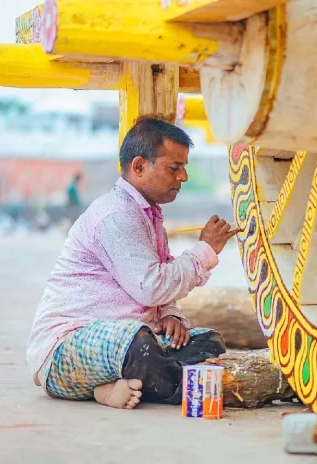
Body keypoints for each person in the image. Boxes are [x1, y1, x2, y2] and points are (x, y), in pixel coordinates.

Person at [26, 117, 238, 409]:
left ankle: (126, 385)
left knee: (207, 343)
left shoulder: (148, 215)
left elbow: (158, 281)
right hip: (69, 346)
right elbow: (151, 286)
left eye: (184, 167)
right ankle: (171, 385)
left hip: (128, 337)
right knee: (140, 345)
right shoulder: (115, 215)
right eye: (174, 168)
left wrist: (170, 315)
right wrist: (205, 250)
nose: (184, 177)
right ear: (139, 166)